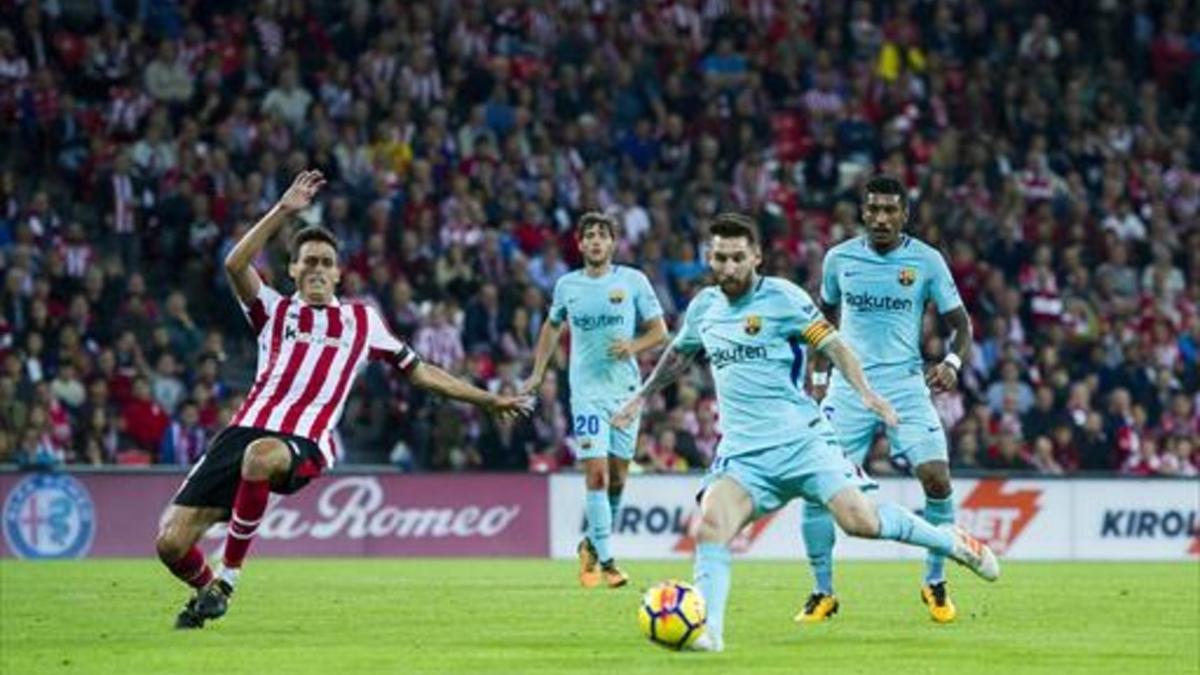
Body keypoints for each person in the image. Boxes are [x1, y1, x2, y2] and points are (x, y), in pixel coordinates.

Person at [155, 171, 533, 629]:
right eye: (308, 261)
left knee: (261, 457)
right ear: (293, 270)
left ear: (339, 273)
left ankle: (228, 579)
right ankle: (206, 595)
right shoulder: (273, 310)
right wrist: (284, 210)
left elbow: (422, 372)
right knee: (170, 544)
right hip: (240, 434)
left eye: (326, 262)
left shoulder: (361, 321)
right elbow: (235, 265)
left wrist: (487, 400)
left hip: (304, 441)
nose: (316, 268)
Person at [612, 213, 997, 652]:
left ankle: (950, 541)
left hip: (804, 443)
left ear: (756, 257)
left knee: (861, 522)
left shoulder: (785, 299)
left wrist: (866, 393)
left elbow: (833, 344)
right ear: (708, 257)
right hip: (744, 455)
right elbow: (679, 355)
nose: (729, 267)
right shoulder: (704, 307)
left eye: (738, 257)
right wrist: (640, 396)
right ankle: (711, 632)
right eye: (720, 257)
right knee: (710, 528)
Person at [800, 175, 975, 624]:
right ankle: (822, 591)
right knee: (819, 488)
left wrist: (952, 363)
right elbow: (823, 323)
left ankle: (935, 582)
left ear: (904, 215)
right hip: (848, 386)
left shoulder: (927, 261)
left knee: (937, 479)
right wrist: (818, 379)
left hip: (904, 385)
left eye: (889, 210)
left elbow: (962, 324)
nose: (880, 217)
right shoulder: (839, 259)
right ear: (862, 212)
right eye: (873, 209)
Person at [522, 212, 668, 588]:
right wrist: (538, 374)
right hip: (586, 394)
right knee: (597, 475)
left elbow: (660, 332)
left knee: (618, 479)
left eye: (603, 235)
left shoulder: (633, 281)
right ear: (580, 243)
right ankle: (608, 561)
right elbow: (552, 326)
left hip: (626, 394)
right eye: (590, 236)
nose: (596, 241)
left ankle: (590, 544)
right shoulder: (567, 286)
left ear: (613, 243)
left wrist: (633, 346)